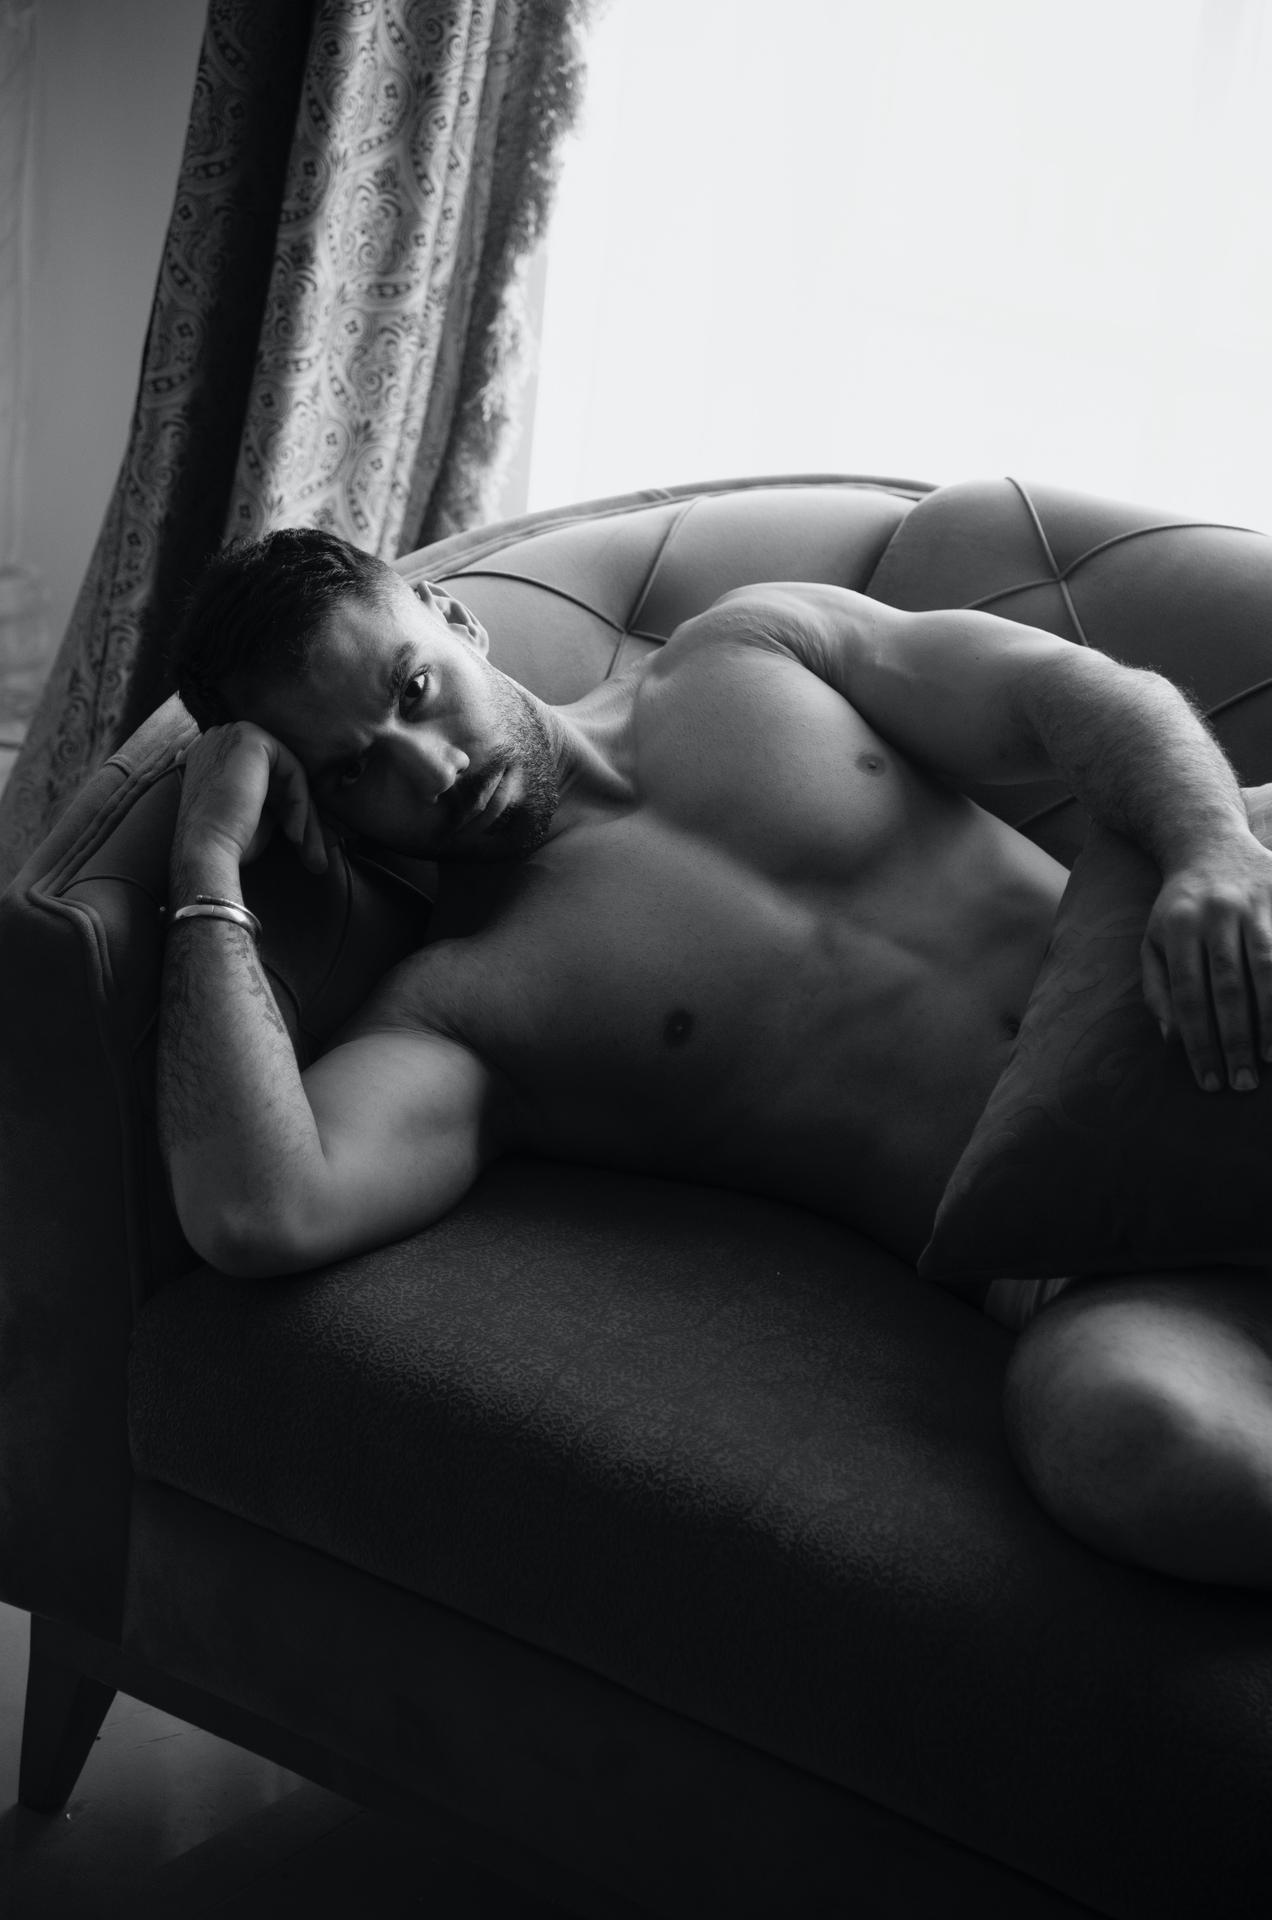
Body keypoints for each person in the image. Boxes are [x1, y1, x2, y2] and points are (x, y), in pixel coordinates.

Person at [160, 526, 1272, 1590]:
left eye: (414, 690)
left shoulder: (756, 643)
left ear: (453, 618)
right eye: (353, 773)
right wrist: (206, 862)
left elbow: (1062, 691)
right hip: (1100, 1258)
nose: (433, 768)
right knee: (1122, 1440)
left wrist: (1212, 850)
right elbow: (262, 1211)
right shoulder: (464, 1002)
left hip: (1205, 987)